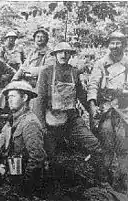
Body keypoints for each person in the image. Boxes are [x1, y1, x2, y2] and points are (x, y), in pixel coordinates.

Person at [35, 42, 105, 171]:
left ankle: (95, 177)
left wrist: (93, 109)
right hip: (51, 120)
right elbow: (39, 100)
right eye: (60, 52)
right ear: (55, 54)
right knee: (52, 157)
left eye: (67, 52)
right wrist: (42, 126)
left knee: (94, 144)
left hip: (72, 118)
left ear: (70, 55)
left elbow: (82, 96)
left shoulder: (74, 72)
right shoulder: (46, 72)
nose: (64, 55)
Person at [87, 31, 128, 190]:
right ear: (108, 45)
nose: (115, 46)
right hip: (106, 109)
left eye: (119, 43)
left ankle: (123, 181)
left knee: (124, 147)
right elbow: (93, 85)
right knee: (106, 145)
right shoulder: (101, 63)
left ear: (123, 45)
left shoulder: (127, 62)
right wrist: (92, 105)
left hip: (124, 109)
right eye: (112, 43)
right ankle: (103, 182)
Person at [0, 80, 46, 197]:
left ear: (24, 98)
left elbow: (37, 158)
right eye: (8, 97)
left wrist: (23, 187)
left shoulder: (30, 123)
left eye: (13, 96)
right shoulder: (13, 120)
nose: (9, 100)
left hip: (24, 184)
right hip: (12, 176)